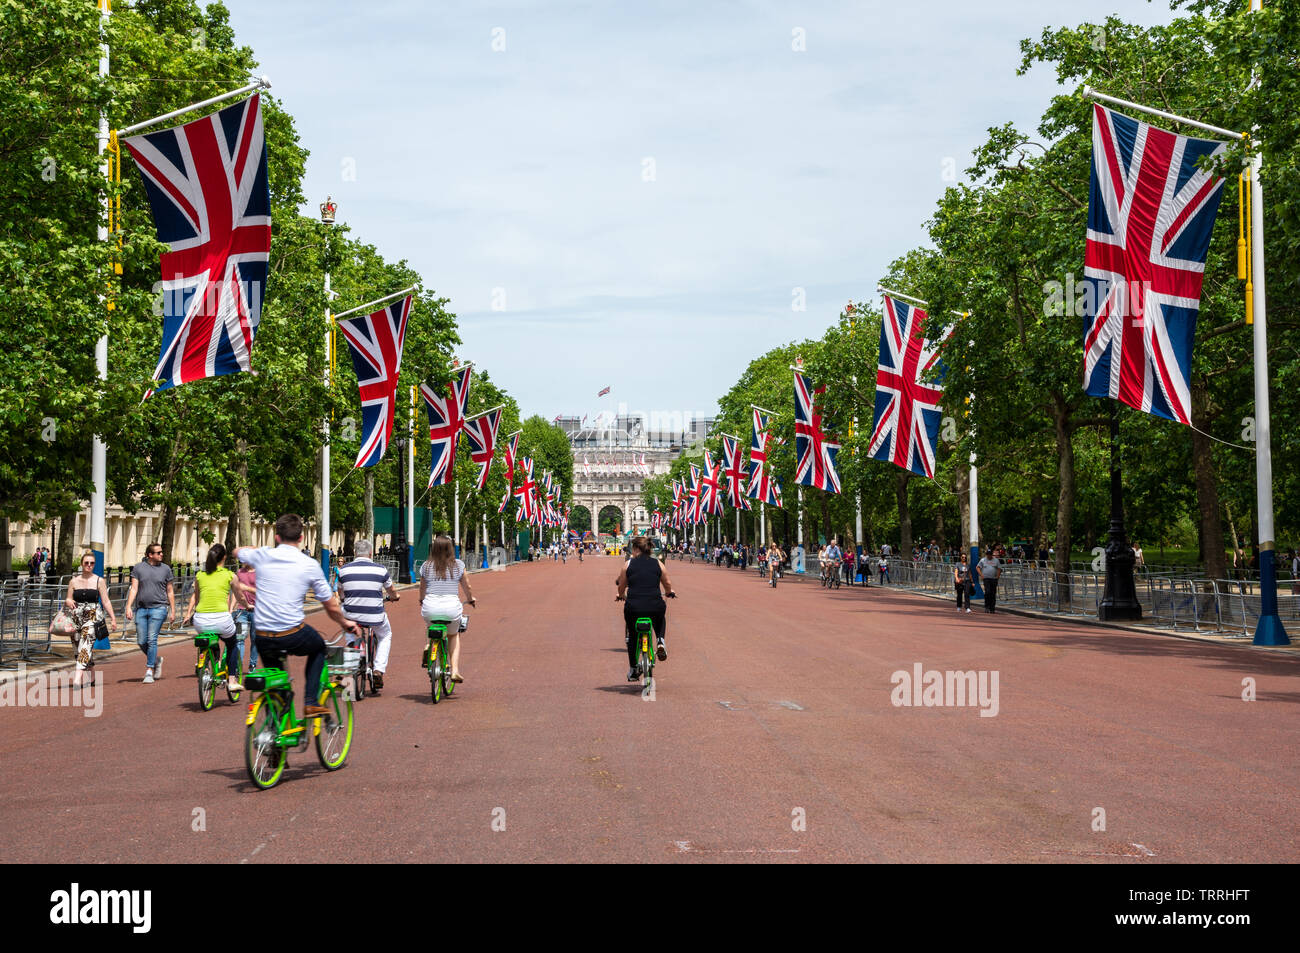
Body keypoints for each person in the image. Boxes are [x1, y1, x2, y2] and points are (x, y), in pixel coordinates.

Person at [236, 514, 359, 719]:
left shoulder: (263, 555)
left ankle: (275, 730)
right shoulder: (308, 564)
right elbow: (330, 605)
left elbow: (237, 551)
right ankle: (310, 702)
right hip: (291, 632)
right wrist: (344, 622)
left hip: (263, 634)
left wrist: (256, 550)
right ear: (301, 538)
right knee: (319, 648)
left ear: (277, 537)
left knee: (276, 678)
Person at [337, 539, 400, 691]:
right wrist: (395, 596)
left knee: (348, 627)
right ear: (371, 554)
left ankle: (352, 646)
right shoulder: (381, 570)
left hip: (351, 614)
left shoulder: (343, 570)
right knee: (385, 635)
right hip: (375, 616)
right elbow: (391, 591)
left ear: (355, 553)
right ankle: (378, 669)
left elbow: (341, 593)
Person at [183, 543, 246, 692]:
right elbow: (240, 596)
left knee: (211, 637)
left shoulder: (200, 575)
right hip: (221, 619)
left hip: (201, 620)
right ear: (224, 557)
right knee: (232, 644)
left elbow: (197, 598)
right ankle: (231, 680)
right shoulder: (229, 575)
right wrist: (248, 605)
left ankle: (211, 661)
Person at [615, 535, 675, 681]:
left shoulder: (628, 564)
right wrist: (669, 592)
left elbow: (621, 585)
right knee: (660, 619)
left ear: (635, 549)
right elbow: (667, 582)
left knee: (632, 637)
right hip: (654, 604)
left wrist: (620, 595)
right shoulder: (658, 564)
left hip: (634, 606)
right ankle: (660, 640)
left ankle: (633, 668)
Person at [419, 535, 477, 684]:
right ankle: (455, 670)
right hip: (451, 607)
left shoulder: (426, 566)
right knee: (453, 635)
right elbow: (467, 586)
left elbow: (422, 588)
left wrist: (421, 600)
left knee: (430, 624)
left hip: (430, 606)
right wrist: (471, 599)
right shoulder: (458, 565)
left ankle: (429, 645)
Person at [125, 542, 175, 684]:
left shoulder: (166, 569)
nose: (161, 554)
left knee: (152, 639)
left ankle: (149, 670)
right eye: (158, 553)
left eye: (161, 552)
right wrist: (128, 606)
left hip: (159, 608)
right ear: (150, 555)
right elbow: (134, 589)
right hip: (141, 609)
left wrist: (173, 610)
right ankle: (156, 660)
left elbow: (170, 591)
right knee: (141, 641)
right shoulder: (138, 568)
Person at [64, 552, 117, 688]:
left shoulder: (99, 581)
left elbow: (105, 600)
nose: (89, 565)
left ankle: (77, 677)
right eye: (86, 563)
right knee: (78, 648)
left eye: (92, 563)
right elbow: (68, 598)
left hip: (93, 616)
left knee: (86, 644)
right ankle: (91, 675)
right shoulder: (73, 581)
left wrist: (113, 618)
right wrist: (68, 601)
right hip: (76, 617)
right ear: (81, 564)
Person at [233, 558, 258, 671]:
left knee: (255, 639)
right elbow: (235, 592)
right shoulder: (239, 573)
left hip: (257, 611)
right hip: (242, 611)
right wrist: (231, 609)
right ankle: (238, 666)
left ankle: (252, 664)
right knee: (239, 638)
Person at [976, 546, 1002, 613]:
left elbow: (999, 568)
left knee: (993, 593)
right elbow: (978, 567)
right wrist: (981, 575)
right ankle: (987, 606)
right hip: (986, 579)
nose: (989, 556)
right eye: (988, 554)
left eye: (990, 554)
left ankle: (992, 608)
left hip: (993, 579)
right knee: (987, 592)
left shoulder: (996, 560)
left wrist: (997, 576)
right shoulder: (983, 560)